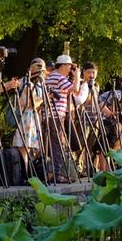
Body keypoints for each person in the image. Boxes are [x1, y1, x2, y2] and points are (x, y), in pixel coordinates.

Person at [44, 54, 80, 183]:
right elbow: (75, 90)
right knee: (58, 144)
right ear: (64, 66)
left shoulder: (51, 76)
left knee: (55, 144)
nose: (71, 69)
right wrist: (77, 77)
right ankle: (57, 174)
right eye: (70, 66)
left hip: (50, 114)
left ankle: (54, 172)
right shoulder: (59, 77)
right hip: (56, 115)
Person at [13, 58, 45, 172]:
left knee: (26, 146)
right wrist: (45, 98)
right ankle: (25, 172)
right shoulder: (28, 84)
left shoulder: (25, 82)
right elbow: (31, 103)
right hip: (27, 117)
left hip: (27, 116)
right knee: (25, 146)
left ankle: (26, 171)